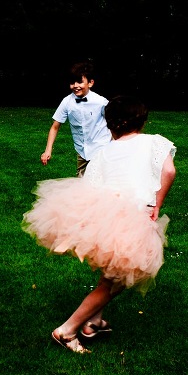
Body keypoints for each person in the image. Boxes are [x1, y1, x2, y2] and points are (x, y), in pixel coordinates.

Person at [25, 94, 175, 353]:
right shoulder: (155, 142)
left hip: (107, 219)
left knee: (115, 273)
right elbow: (169, 171)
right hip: (132, 218)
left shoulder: (103, 151)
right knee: (116, 281)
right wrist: (157, 203)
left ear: (109, 124)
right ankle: (67, 330)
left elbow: (91, 188)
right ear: (142, 121)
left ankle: (94, 322)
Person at [40, 59, 110, 175]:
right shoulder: (67, 102)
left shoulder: (101, 102)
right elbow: (55, 127)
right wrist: (48, 150)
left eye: (80, 82)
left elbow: (114, 123)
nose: (75, 86)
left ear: (90, 83)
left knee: (99, 183)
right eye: (72, 83)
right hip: (82, 151)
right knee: (81, 185)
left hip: (101, 148)